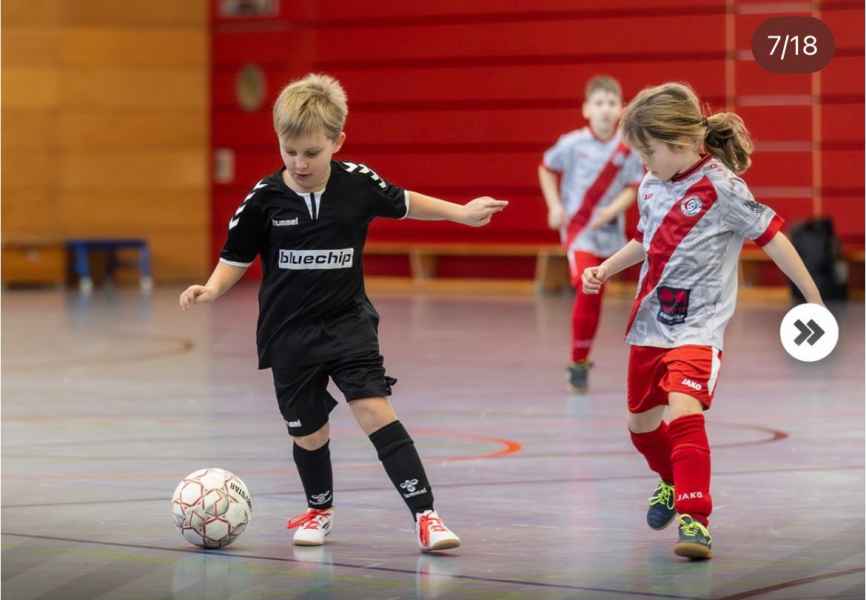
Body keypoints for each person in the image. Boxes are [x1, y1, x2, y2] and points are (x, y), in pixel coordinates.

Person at [180, 73, 508, 552]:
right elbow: (236, 257)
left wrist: (460, 212)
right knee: (310, 434)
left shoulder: (357, 183)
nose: (299, 162)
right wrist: (211, 288)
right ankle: (319, 510)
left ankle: (427, 517)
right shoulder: (263, 199)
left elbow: (405, 202)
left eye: (312, 152)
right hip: (288, 334)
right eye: (290, 151)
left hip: (347, 323)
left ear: (337, 142)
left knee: (374, 410)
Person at [582, 82, 823, 560]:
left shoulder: (722, 187)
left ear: (680, 143)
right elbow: (646, 241)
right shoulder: (650, 185)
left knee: (684, 409)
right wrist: (606, 268)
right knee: (641, 427)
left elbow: (773, 238)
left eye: (648, 153)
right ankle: (671, 480)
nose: (643, 163)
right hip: (650, 324)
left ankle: (695, 518)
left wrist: (811, 298)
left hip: (699, 328)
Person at [538, 75, 644, 393]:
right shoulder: (572, 143)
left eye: (611, 103)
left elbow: (633, 186)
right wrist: (554, 205)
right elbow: (545, 168)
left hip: (610, 234)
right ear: (586, 109)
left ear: (621, 109)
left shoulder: (629, 148)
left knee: (595, 292)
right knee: (587, 284)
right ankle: (578, 361)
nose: (605, 109)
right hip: (579, 230)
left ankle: (582, 359)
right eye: (599, 103)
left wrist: (611, 212)